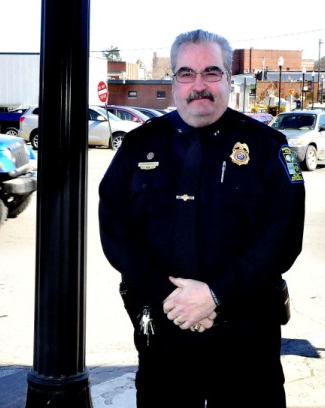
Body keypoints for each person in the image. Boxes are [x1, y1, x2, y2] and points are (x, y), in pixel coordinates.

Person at [98, 29, 305, 408]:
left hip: (247, 340)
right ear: (173, 81)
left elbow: (284, 237)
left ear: (229, 78)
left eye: (211, 73)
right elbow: (116, 232)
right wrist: (173, 299)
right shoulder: (139, 146)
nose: (199, 85)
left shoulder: (266, 147)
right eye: (186, 73)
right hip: (165, 332)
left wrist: (215, 294)